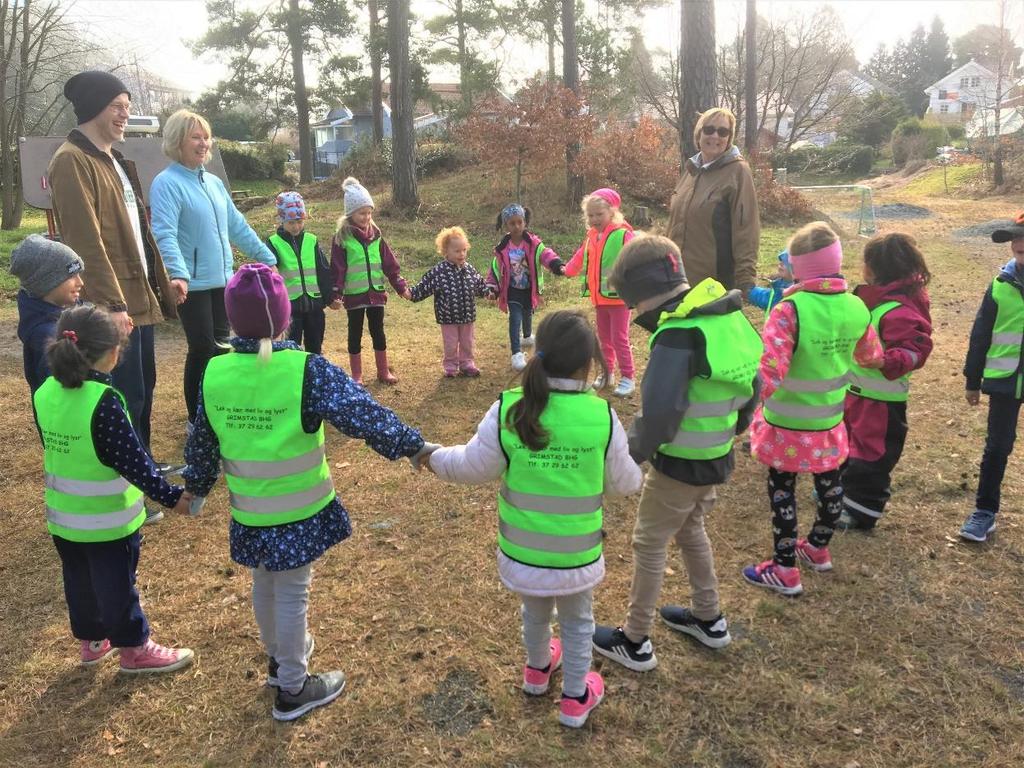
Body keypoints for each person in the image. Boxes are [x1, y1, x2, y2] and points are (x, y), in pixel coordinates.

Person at [182, 263, 433, 721]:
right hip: (299, 509)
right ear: (284, 319)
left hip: (250, 512)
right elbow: (361, 413)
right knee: (293, 590)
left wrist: (195, 489)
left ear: (232, 320)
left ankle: (279, 660)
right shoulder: (306, 369)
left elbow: (202, 439)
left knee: (265, 582)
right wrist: (411, 445)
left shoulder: (214, 372)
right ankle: (294, 688)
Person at [427, 310, 643, 728]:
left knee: (536, 611)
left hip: (522, 555)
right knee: (579, 622)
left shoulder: (509, 409)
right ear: (588, 363)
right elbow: (625, 483)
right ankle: (577, 697)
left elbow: (472, 467)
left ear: (538, 352)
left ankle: (537, 671)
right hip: (576, 558)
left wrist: (430, 455)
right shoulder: (602, 416)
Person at [591, 236, 762, 669]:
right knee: (690, 530)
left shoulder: (676, 336)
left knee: (649, 543)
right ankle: (709, 618)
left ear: (643, 294)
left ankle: (634, 639)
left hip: (678, 464)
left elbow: (662, 414)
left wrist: (629, 455)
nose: (635, 316)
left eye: (633, 307)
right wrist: (734, 430)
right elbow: (753, 383)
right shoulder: (728, 316)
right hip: (716, 455)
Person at [34, 305, 194, 673]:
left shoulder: (44, 392)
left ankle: (92, 642)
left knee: (80, 582)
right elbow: (133, 462)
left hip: (63, 519)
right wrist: (172, 497)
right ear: (111, 353)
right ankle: (135, 648)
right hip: (106, 523)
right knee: (117, 585)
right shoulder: (104, 402)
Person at [48, 70, 183, 477]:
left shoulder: (112, 159)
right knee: (123, 394)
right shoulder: (71, 162)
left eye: (127, 107)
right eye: (117, 107)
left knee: (142, 389)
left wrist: (161, 280)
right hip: (116, 304)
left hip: (136, 296)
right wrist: (110, 306)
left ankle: (145, 465)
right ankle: (130, 478)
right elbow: (86, 241)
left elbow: (139, 231)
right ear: (93, 108)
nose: (126, 115)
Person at [742, 222, 883, 596]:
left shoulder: (790, 309)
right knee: (830, 483)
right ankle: (818, 549)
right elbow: (872, 356)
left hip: (785, 422)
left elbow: (770, 371)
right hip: (831, 420)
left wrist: (744, 409)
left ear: (798, 267)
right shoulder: (857, 306)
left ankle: (785, 568)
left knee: (782, 489)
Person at [149, 109, 277, 429]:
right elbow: (164, 233)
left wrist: (268, 257)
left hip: (223, 281)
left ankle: (218, 411)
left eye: (206, 137)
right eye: (196, 137)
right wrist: (177, 274)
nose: (204, 143)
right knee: (203, 349)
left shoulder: (215, 183)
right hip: (191, 285)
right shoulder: (167, 183)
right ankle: (197, 419)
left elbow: (237, 225)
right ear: (177, 141)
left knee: (222, 350)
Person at [840, 233, 933, 532]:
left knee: (872, 454)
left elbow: (916, 349)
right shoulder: (874, 300)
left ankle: (862, 511)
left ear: (873, 268)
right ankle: (843, 495)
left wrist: (886, 360)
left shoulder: (899, 311)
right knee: (850, 446)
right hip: (856, 394)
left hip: (880, 402)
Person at [960, 212, 1024, 542]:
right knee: (997, 446)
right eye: (1016, 243)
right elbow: (980, 335)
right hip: (1004, 380)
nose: (1018, 244)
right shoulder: (1000, 287)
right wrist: (973, 379)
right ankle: (984, 512)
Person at [665, 107, 760, 297]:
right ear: (699, 134)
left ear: (729, 138)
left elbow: (746, 228)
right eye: (709, 129)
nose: (715, 136)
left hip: (713, 285)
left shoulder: (738, 171)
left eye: (723, 131)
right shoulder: (691, 170)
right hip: (678, 280)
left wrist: (745, 280)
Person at [330, 176, 409, 384]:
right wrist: (335, 294)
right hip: (354, 297)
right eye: (362, 213)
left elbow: (390, 264)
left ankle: (383, 372)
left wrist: (399, 286)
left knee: (378, 332)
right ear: (351, 214)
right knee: (354, 334)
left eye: (369, 212)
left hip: (376, 295)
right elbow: (338, 269)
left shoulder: (377, 236)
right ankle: (356, 375)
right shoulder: (342, 238)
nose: (366, 217)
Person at [562, 188, 636, 396]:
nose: (594, 219)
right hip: (600, 298)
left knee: (619, 337)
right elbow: (579, 256)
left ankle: (628, 377)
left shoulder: (623, 234)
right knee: (603, 338)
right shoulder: (592, 236)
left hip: (619, 298)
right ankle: (607, 372)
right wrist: (567, 270)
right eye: (590, 215)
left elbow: (635, 256)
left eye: (599, 214)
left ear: (612, 212)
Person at [487, 204, 565, 372]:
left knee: (528, 312)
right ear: (505, 225)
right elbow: (495, 268)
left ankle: (528, 336)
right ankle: (516, 354)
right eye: (511, 223)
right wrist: (492, 287)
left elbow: (546, 254)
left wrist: (556, 264)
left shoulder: (533, 243)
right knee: (515, 319)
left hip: (529, 288)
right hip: (512, 290)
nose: (516, 226)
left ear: (525, 222)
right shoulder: (503, 248)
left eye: (519, 222)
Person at [408, 226, 493, 378]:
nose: (461, 254)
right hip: (448, 317)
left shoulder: (469, 270)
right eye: (457, 251)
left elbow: (480, 285)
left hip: (467, 315)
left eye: (464, 250)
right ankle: (450, 366)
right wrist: (410, 293)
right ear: (446, 251)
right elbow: (424, 286)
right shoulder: (439, 271)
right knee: (451, 343)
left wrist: (489, 292)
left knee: (467, 342)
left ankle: (467, 363)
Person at [10, 234, 85, 396]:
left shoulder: (67, 315)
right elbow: (62, 396)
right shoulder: (48, 336)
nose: (81, 282)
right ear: (46, 283)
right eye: (72, 276)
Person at [266, 190, 338, 355]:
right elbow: (270, 276)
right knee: (291, 350)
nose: (296, 226)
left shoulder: (311, 241)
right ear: (282, 220)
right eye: (291, 222)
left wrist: (330, 296)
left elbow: (323, 271)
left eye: (299, 221)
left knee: (315, 348)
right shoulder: (273, 243)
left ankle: (313, 377)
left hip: (314, 306)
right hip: (290, 309)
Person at [747, 250, 793, 316]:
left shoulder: (799, 294)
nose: (781, 264)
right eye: (781, 261)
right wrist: (750, 291)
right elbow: (766, 298)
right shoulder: (779, 287)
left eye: (786, 262)